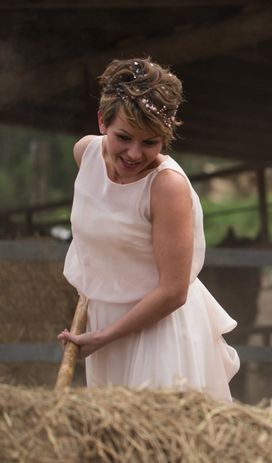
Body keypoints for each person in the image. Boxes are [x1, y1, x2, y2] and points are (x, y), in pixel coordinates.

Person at [58, 58, 240, 401]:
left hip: (158, 331)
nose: (134, 153)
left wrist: (104, 337)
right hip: (106, 324)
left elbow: (174, 291)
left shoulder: (166, 186)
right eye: (124, 137)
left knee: (162, 445)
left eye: (150, 142)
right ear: (102, 122)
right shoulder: (85, 153)